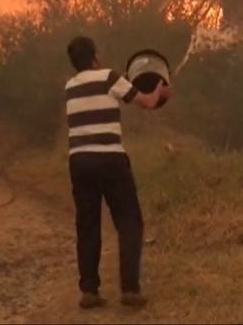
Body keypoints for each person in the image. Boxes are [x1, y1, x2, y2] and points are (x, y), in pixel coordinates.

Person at [64, 36, 170, 310]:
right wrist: (159, 92)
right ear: (95, 55)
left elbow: (113, 93)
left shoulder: (70, 86)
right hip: (109, 159)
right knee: (129, 222)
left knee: (87, 225)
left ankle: (89, 291)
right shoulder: (109, 77)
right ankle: (130, 289)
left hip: (78, 161)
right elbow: (145, 102)